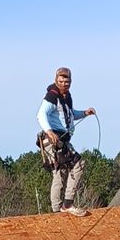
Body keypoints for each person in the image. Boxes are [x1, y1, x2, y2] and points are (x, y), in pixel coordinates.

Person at [36, 67, 96, 216]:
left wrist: (84, 113)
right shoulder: (52, 96)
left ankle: (58, 209)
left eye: (67, 81)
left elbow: (69, 115)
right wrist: (49, 131)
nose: (64, 84)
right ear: (56, 80)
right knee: (77, 164)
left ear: (71, 82)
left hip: (63, 140)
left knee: (61, 172)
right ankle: (65, 205)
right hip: (53, 140)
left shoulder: (66, 97)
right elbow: (41, 114)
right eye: (61, 81)